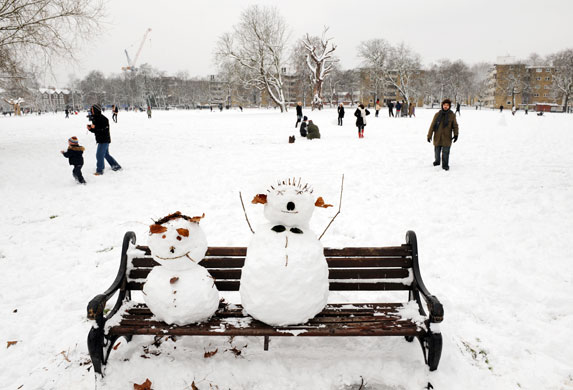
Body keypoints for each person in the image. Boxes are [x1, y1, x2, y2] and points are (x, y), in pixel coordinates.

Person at [87, 104, 122, 175]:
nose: (91, 111)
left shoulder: (104, 119)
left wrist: (93, 128)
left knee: (99, 155)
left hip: (104, 140)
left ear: (96, 110)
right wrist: (91, 129)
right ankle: (116, 166)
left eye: (92, 110)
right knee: (105, 154)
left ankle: (100, 170)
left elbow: (103, 130)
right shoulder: (95, 118)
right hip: (100, 139)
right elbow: (96, 130)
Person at [427, 98, 459, 171]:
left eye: (447, 105)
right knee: (437, 152)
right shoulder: (437, 114)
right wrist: (429, 135)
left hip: (447, 138)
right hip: (437, 137)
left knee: (445, 153)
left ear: (449, 106)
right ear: (442, 105)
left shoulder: (452, 115)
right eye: (444, 105)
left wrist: (456, 134)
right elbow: (432, 125)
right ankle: (437, 162)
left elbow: (455, 126)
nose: (445, 106)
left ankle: (445, 165)